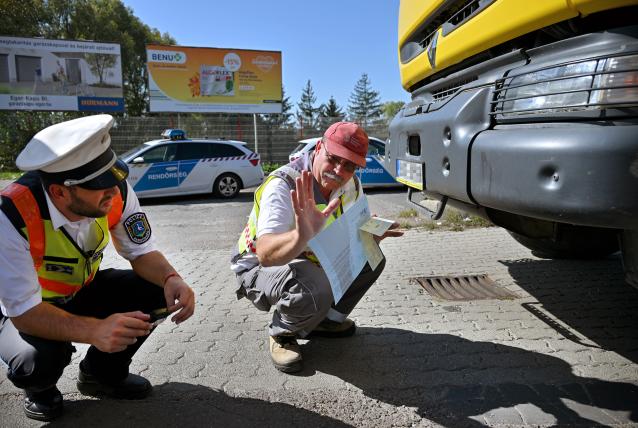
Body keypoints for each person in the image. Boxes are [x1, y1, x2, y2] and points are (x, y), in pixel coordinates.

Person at [0, 114, 195, 421]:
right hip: (30, 309)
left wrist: (172, 278)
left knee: (156, 290)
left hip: (81, 290)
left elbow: (140, 251)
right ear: (61, 192)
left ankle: (101, 374)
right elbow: (24, 312)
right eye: (100, 185)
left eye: (113, 179)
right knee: (34, 360)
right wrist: (94, 330)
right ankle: (40, 388)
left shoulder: (116, 192)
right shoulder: (10, 215)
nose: (114, 192)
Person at [231, 121, 403, 373]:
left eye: (349, 165)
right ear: (319, 147)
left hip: (309, 255)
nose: (338, 170)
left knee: (372, 258)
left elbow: (347, 226)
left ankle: (325, 322)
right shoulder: (283, 185)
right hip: (256, 266)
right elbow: (266, 254)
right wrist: (302, 235)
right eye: (333, 159)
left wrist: (370, 234)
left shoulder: (350, 184)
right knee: (315, 286)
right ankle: (282, 333)